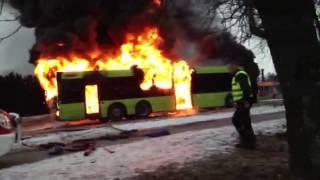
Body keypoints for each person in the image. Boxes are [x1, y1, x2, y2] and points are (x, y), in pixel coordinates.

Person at [228, 62, 256, 149]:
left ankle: (247, 140)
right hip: (241, 102)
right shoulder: (237, 75)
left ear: (235, 66)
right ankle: (249, 142)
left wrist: (246, 101)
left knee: (236, 120)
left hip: (244, 102)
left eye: (230, 67)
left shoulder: (240, 75)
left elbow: (246, 89)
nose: (228, 69)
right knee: (245, 122)